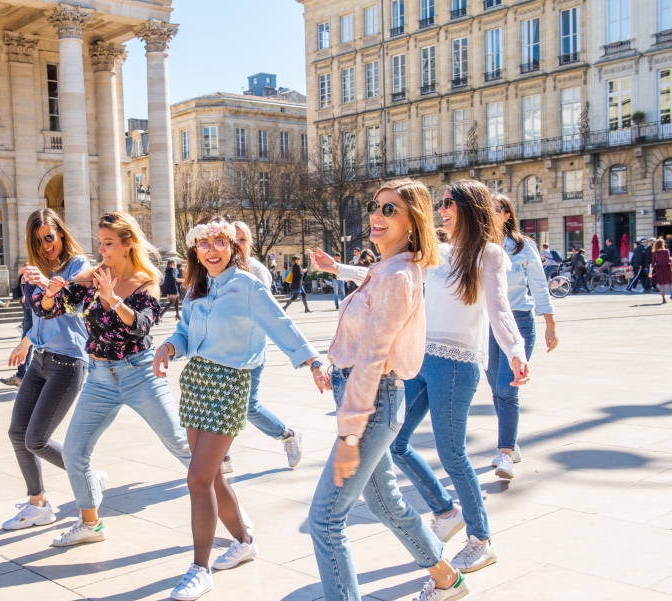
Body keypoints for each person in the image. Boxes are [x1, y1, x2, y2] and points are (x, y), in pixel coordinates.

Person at [308, 179, 472, 601]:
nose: (376, 217)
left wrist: (348, 433)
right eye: (374, 206)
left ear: (413, 221)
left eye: (389, 210)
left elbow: (374, 356)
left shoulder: (398, 276)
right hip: (364, 396)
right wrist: (336, 269)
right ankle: (446, 577)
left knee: (325, 519)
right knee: (385, 503)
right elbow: (372, 281)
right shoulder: (387, 270)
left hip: (371, 402)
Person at [152, 216, 328, 601]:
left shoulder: (248, 285)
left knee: (197, 479)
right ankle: (244, 541)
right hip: (196, 381)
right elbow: (185, 334)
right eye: (204, 243)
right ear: (194, 249)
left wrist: (313, 362)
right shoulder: (196, 288)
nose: (212, 250)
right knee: (212, 478)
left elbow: (281, 324)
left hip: (230, 383)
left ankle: (200, 569)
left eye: (220, 242)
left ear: (233, 246)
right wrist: (168, 347)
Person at [389, 180, 528, 574]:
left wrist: (516, 352)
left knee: (452, 454)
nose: (442, 210)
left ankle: (481, 539)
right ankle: (446, 511)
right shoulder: (441, 253)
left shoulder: (489, 254)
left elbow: (500, 310)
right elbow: (389, 274)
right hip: (422, 359)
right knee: (395, 442)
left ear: (469, 208)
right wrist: (338, 268)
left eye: (449, 203)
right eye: (441, 204)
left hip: (456, 364)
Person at [36, 211, 191, 547]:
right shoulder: (94, 277)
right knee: (75, 451)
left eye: (108, 243)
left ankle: (228, 510)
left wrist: (114, 300)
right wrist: (50, 292)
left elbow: (141, 325)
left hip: (138, 374)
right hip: (99, 378)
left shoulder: (145, 281)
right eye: (100, 242)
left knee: (180, 444)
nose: (101, 249)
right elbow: (50, 308)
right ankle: (90, 524)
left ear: (127, 244)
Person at [2, 208, 89, 531]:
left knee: (37, 439)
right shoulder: (40, 268)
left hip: (68, 361)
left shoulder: (79, 265)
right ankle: (37, 503)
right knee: (17, 434)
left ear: (61, 233)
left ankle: (86, 473)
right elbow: (39, 318)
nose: (45, 247)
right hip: (40, 359)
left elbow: (75, 306)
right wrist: (25, 343)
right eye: (38, 242)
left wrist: (47, 285)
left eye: (49, 238)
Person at [221, 221, 304, 473]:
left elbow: (267, 314)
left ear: (250, 244)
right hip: (222, 349)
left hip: (250, 349)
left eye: (243, 240)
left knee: (247, 406)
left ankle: (287, 435)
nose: (237, 246)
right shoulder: (217, 268)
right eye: (232, 240)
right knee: (220, 403)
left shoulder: (257, 270)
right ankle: (222, 456)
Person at [488, 194, 558, 480]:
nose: (487, 214)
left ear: (506, 214)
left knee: (507, 387)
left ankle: (504, 452)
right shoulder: (480, 245)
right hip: (489, 324)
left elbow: (540, 287)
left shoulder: (523, 247)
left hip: (518, 321)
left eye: (493, 209)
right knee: (495, 385)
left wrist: (550, 326)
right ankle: (511, 441)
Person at [651, 238, 672, 303]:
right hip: (667, 268)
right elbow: (668, 260)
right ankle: (671, 295)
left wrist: (650, 272)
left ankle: (663, 299)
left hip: (659, 268)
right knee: (671, 282)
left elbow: (653, 263)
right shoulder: (666, 251)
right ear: (663, 244)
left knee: (661, 284)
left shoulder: (655, 252)